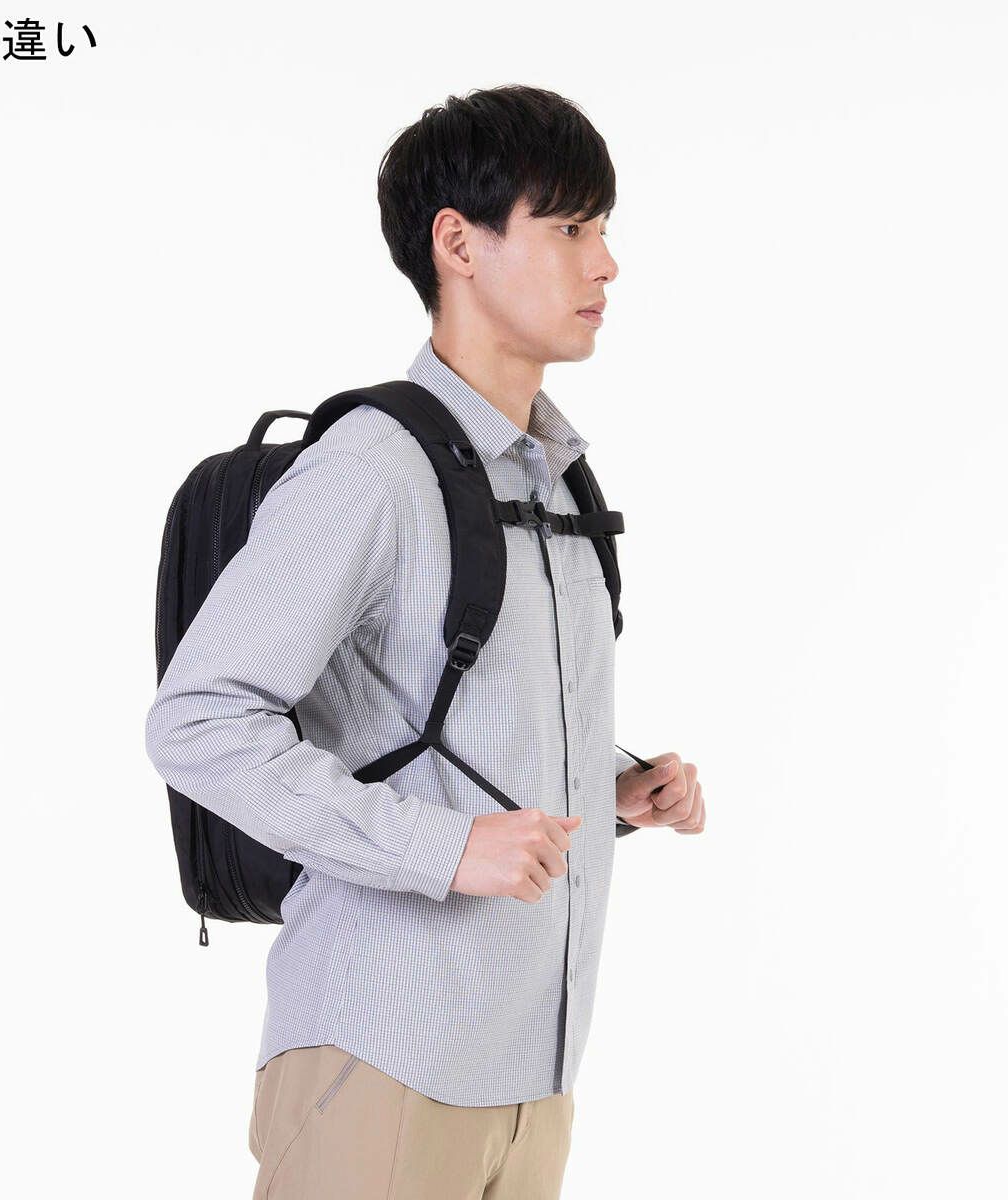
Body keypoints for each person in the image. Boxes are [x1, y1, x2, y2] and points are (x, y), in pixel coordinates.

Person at [145, 82, 707, 1200]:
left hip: (534, 1072)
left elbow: (443, 720)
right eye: (570, 228)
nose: (606, 264)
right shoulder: (372, 469)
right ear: (458, 243)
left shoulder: (557, 480)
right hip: (384, 1053)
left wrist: (609, 786)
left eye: (603, 228)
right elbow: (198, 722)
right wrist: (447, 851)